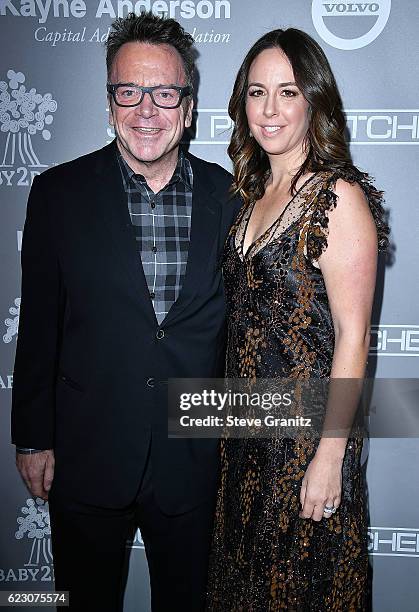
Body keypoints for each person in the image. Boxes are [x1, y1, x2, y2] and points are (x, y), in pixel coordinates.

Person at [11, 11, 240, 612]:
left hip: (193, 463)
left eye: (164, 93)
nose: (146, 110)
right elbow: (38, 327)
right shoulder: (58, 195)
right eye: (128, 91)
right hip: (87, 457)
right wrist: (32, 438)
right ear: (109, 101)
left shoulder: (232, 197)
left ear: (188, 107)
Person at [206, 28, 389, 610]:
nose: (270, 109)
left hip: (304, 449)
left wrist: (330, 457)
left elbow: (353, 336)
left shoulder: (339, 197)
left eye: (287, 92)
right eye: (257, 92)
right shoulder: (250, 193)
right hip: (244, 447)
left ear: (314, 99)